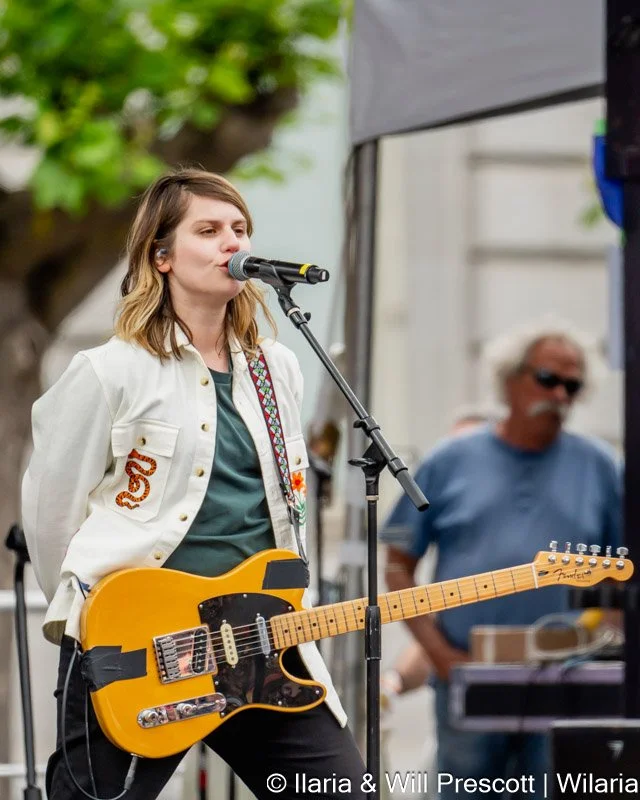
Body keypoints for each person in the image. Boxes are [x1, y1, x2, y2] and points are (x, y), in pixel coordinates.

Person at [21, 168, 366, 800]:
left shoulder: (276, 367)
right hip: (143, 645)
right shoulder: (110, 371)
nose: (231, 243)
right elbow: (51, 514)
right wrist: (99, 615)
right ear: (162, 255)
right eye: (207, 231)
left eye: (239, 229)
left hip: (259, 639)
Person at [380, 322, 622, 799]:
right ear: (510, 379)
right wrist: (439, 654)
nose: (559, 395)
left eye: (572, 386)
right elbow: (397, 563)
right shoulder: (450, 460)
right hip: (466, 675)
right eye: (548, 379)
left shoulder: (599, 466)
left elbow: (622, 575)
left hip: (566, 681)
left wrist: (602, 651)